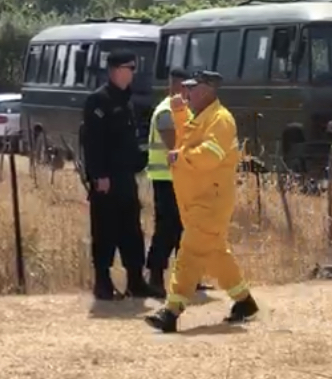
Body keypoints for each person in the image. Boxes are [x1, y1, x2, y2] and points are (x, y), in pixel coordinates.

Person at [145, 70, 258, 333]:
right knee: (215, 254)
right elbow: (186, 138)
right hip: (195, 200)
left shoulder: (221, 120)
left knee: (190, 252)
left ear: (206, 91)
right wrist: (179, 113)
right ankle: (244, 301)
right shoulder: (199, 117)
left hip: (211, 201)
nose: (186, 92)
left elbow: (209, 155)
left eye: (191, 88)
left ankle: (172, 310)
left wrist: (180, 157)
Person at [81, 51, 153, 301]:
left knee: (131, 231)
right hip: (107, 180)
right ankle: (103, 282)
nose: (133, 72)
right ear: (116, 70)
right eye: (130, 67)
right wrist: (98, 174)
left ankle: (135, 280)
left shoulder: (126, 101)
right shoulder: (98, 101)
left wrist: (140, 161)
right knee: (105, 231)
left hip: (125, 178)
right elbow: (92, 142)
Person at [144, 67, 189, 298]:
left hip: (182, 179)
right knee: (167, 229)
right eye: (183, 86)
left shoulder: (184, 111)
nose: (186, 91)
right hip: (165, 179)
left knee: (184, 229)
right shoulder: (166, 112)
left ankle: (187, 277)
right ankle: (155, 276)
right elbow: (175, 145)